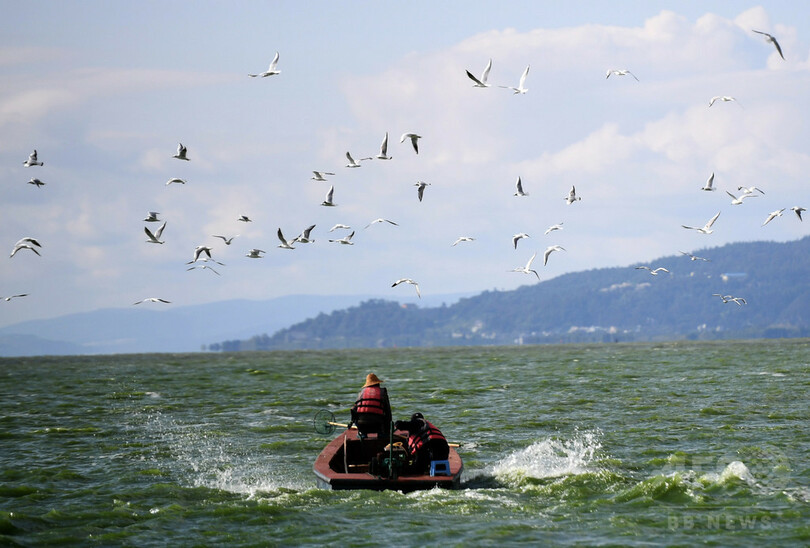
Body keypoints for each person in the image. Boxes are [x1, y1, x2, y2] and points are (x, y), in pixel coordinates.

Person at [348, 373, 392, 439]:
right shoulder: (382, 392)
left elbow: (354, 410)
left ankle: (362, 434)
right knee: (384, 417)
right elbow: (388, 413)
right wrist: (387, 431)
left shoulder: (361, 393)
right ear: (377, 384)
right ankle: (382, 434)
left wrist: (352, 423)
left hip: (362, 426)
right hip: (377, 426)